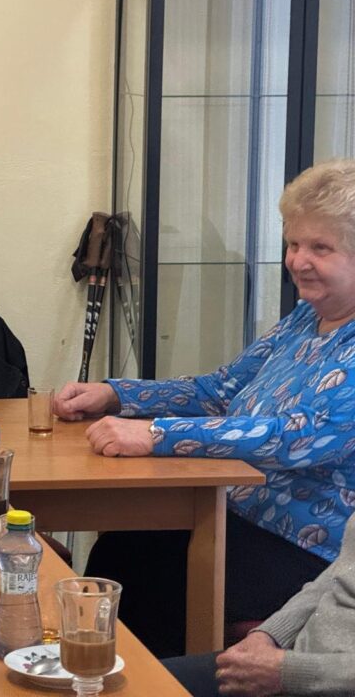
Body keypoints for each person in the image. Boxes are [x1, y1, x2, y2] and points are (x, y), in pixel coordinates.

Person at [54, 159, 355, 657]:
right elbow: (221, 389)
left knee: (156, 582)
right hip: (234, 514)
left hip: (309, 553)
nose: (298, 260)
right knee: (122, 547)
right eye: (293, 243)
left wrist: (157, 435)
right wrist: (118, 395)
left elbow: (295, 437)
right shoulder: (306, 319)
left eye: (320, 248)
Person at [162, 510, 355, 697]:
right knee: (147, 680)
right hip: (293, 657)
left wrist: (289, 672)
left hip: (317, 678)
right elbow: (341, 570)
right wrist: (267, 635)